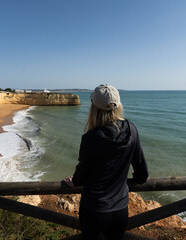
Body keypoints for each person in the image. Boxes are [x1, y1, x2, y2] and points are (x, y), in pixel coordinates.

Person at [63, 84, 148, 240]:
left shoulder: (90, 138)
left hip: (94, 210)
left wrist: (73, 181)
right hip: (121, 209)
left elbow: (80, 176)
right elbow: (142, 174)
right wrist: (136, 177)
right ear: (118, 105)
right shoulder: (132, 130)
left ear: (94, 108)